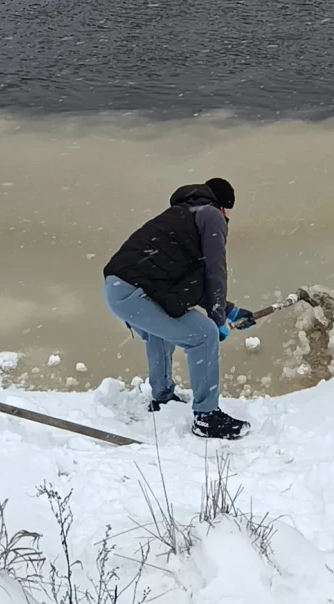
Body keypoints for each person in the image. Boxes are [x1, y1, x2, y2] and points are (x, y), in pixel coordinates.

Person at [103, 178, 255, 440]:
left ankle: (162, 397)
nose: (227, 216)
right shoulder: (210, 215)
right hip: (136, 292)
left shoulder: (180, 216)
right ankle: (206, 417)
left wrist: (229, 310)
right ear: (223, 206)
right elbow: (214, 271)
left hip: (118, 288)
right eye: (227, 211)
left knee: (160, 333)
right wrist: (217, 318)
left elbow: (181, 286)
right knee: (204, 335)